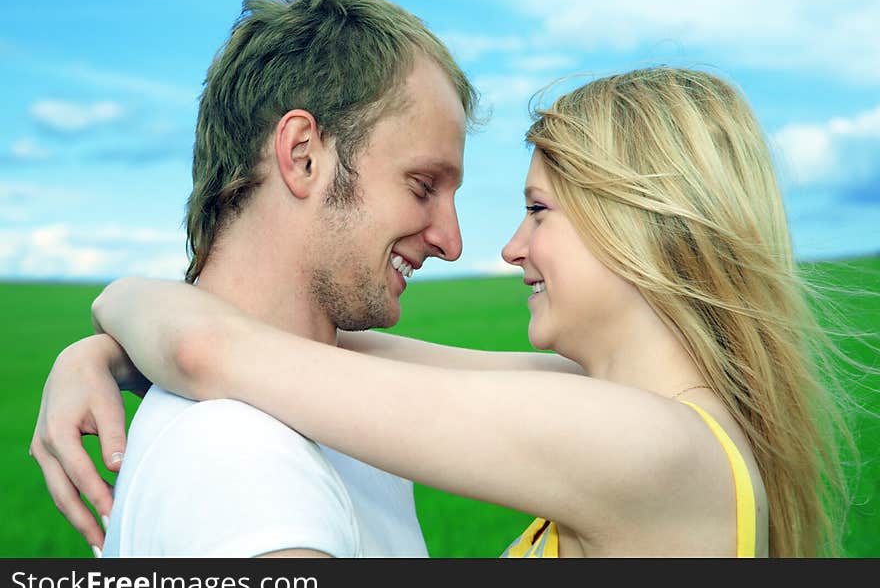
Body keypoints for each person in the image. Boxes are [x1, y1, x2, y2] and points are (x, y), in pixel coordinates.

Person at [34, 66, 857, 557]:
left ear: (637, 223)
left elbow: (218, 351)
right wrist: (101, 355)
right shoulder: (627, 410)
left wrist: (114, 299)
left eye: (539, 210)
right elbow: (314, 349)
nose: (507, 248)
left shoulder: (652, 447)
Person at [29, 0, 495, 558]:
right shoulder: (238, 461)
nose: (452, 242)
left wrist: (111, 340)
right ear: (302, 157)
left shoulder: (331, 402)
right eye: (423, 185)